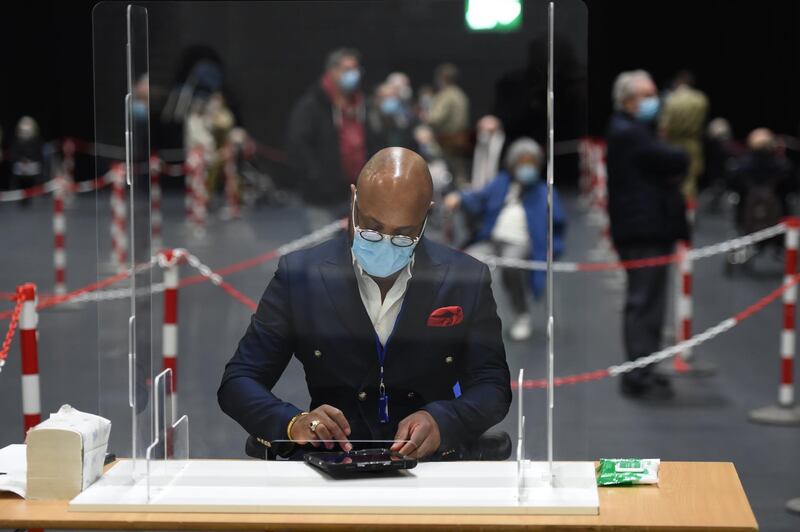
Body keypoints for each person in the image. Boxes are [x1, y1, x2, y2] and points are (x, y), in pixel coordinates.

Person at [218, 147, 511, 460]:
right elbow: (239, 381)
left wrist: (444, 420)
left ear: (426, 214)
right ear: (354, 198)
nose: (385, 243)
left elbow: (492, 385)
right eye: (371, 228)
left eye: (403, 235)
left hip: (428, 465)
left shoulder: (464, 279)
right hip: (333, 464)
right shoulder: (300, 277)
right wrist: (292, 424)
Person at [606, 70, 689, 400]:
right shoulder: (629, 133)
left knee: (650, 303)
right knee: (644, 304)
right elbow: (675, 159)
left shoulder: (635, 130)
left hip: (647, 228)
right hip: (643, 231)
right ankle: (638, 375)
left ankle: (645, 369)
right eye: (649, 94)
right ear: (628, 100)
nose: (657, 101)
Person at [443, 138, 565, 341]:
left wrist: (554, 249)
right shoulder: (501, 183)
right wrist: (460, 198)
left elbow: (558, 225)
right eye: (522, 162)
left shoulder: (545, 192)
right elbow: (479, 198)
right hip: (492, 240)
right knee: (468, 263)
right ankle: (467, 318)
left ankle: (521, 314)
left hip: (521, 243)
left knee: (511, 267)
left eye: (531, 162)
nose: (526, 167)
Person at [287, 48, 369, 231]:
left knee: (356, 252)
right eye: (347, 69)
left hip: (357, 195)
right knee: (324, 252)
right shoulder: (311, 106)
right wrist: (317, 177)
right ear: (332, 71)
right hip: (322, 198)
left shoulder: (362, 104)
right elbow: (298, 146)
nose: (353, 75)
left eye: (356, 69)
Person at [658, 71, 709, 213]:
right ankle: (689, 213)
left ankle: (673, 212)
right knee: (691, 182)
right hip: (693, 144)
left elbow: (664, 127)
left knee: (672, 180)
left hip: (673, 144)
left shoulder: (671, 99)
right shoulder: (701, 99)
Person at [428, 63, 470, 185]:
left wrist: (425, 117)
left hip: (445, 139)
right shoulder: (460, 94)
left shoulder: (446, 95)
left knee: (442, 171)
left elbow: (435, 118)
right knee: (458, 170)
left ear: (443, 78)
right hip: (460, 137)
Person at [367, 82, 418, 152]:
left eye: (393, 97)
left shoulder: (404, 118)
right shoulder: (371, 118)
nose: (390, 100)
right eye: (386, 97)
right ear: (377, 99)